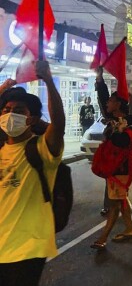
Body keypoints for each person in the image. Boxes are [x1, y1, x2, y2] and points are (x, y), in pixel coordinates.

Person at [0, 61, 65, 286]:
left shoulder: (40, 148)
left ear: (32, 118)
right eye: (6, 110)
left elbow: (58, 125)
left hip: (27, 248)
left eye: (19, 111)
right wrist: (3, 89)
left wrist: (48, 80)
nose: (10, 115)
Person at [91, 67, 132, 250]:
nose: (106, 104)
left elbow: (125, 141)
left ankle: (102, 238)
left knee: (114, 204)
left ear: (118, 104)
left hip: (122, 169)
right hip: (113, 168)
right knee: (120, 199)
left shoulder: (129, 122)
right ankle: (129, 228)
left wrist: (112, 133)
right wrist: (99, 79)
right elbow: (102, 97)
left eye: (111, 101)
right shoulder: (112, 118)